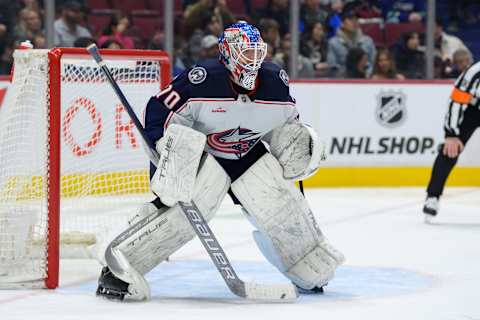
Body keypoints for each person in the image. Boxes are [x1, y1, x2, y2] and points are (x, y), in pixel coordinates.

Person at [94, 22, 344, 301]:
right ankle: (118, 269)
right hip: (203, 157)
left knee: (282, 206)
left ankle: (305, 267)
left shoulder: (275, 82)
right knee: (181, 219)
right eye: (244, 53)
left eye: (255, 52)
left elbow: (287, 130)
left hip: (246, 155)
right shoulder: (202, 79)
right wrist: (169, 154)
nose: (252, 60)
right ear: (227, 53)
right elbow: (158, 110)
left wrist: (298, 150)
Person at [423, 60, 480, 223]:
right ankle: (433, 196)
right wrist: (451, 134)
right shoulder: (475, 72)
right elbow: (457, 101)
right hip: (472, 109)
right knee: (450, 149)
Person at [327, 10, 376, 78]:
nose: (354, 22)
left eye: (356, 20)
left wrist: (367, 75)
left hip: (366, 78)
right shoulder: (333, 42)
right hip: (343, 80)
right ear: (342, 24)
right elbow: (333, 66)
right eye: (350, 20)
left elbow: (373, 63)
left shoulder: (368, 41)